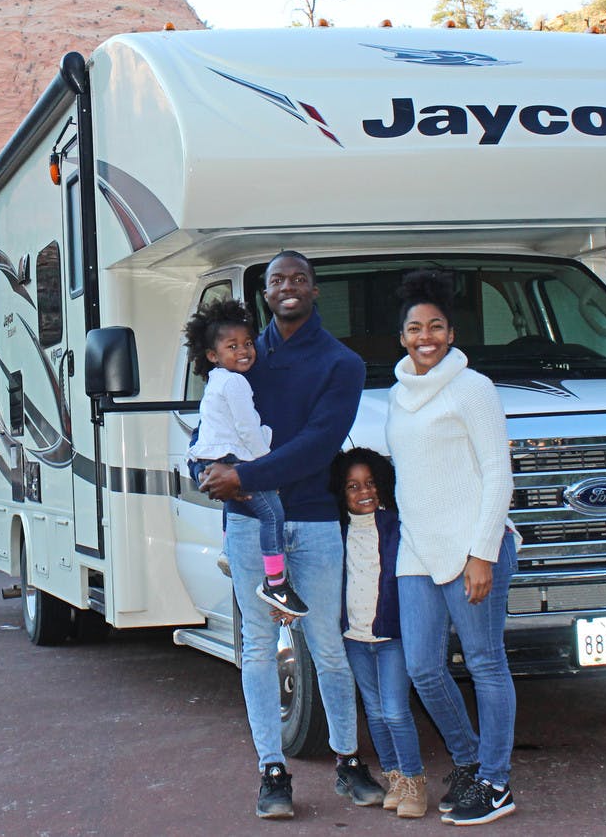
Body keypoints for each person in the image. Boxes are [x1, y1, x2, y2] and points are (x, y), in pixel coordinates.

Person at [199, 251, 384, 820]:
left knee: (328, 646)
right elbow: (213, 425)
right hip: (250, 525)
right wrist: (202, 471)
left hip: (315, 521)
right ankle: (272, 772)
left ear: (315, 289)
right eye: (277, 280)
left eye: (298, 279)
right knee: (257, 647)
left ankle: (348, 762)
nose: (288, 287)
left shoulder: (341, 363)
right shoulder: (243, 357)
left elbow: (318, 446)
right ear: (266, 292)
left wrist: (243, 475)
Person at [386, 269, 520, 827]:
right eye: (415, 328)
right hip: (417, 551)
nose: (426, 337)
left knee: (486, 664)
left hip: (472, 549)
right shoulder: (396, 394)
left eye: (436, 326)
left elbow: (498, 472)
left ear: (451, 332)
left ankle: (495, 781)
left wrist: (482, 551)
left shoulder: (473, 388)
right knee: (422, 668)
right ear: (401, 337)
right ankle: (468, 760)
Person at [184, 297, 307, 618]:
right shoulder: (236, 382)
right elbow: (248, 429)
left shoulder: (216, 381)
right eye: (232, 346)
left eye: (248, 343)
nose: (243, 351)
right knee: (272, 515)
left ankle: (228, 551)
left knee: (234, 503)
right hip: (230, 460)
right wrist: (269, 468)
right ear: (213, 355)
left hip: (209, 458)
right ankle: (276, 583)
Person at [330, 447, 427, 819]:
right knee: (373, 710)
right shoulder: (338, 533)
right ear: (341, 493)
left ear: (384, 485)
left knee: (395, 711)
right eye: (352, 486)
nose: (363, 492)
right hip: (355, 637)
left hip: (391, 636)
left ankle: (414, 780)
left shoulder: (396, 527)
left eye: (370, 483)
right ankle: (395, 778)